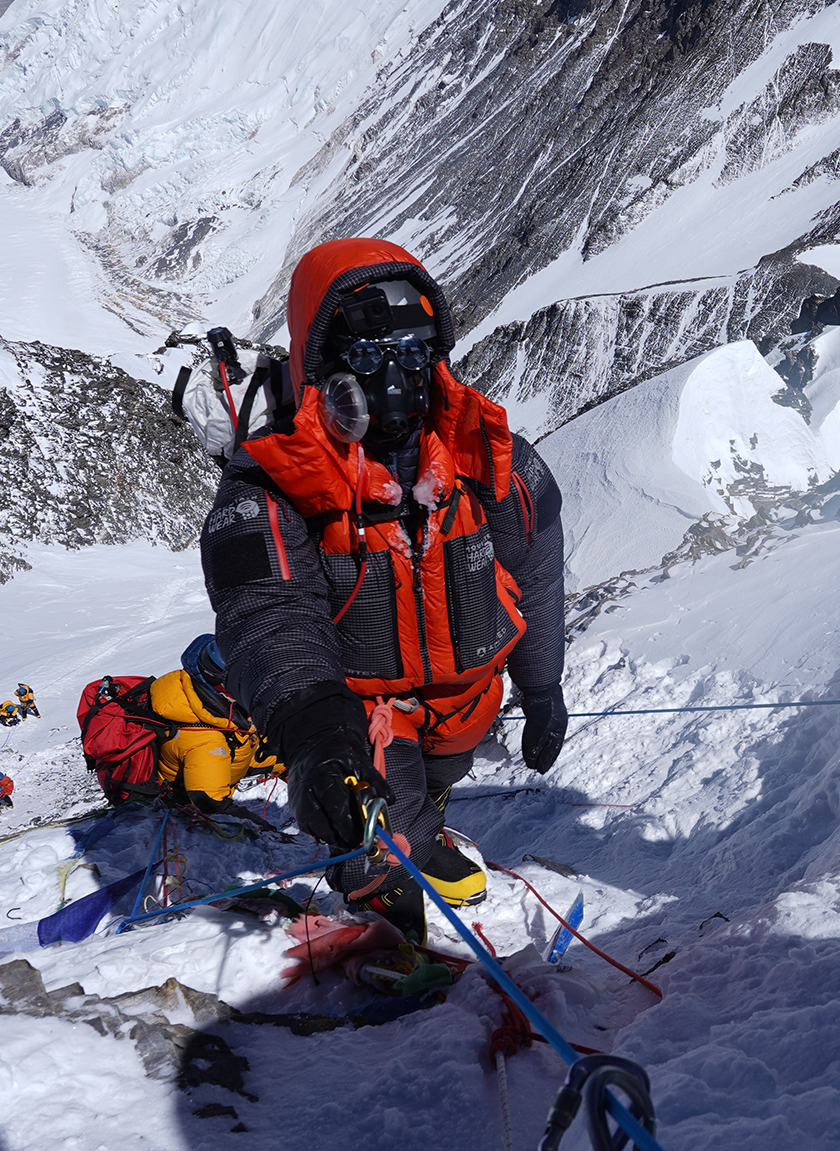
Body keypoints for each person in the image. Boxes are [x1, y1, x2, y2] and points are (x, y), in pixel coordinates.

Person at [199, 237, 567, 939]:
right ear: (322, 364)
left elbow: (537, 565)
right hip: (363, 715)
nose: (395, 377)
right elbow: (270, 613)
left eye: (413, 352)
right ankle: (389, 913)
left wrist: (541, 683)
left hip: (466, 697)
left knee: (435, 784)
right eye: (367, 357)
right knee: (376, 838)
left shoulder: (488, 458)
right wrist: (317, 734)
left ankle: (424, 826)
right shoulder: (275, 483)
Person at [150, 635, 279, 812]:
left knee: (292, 753)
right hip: (194, 793)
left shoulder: (190, 688)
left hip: (231, 758)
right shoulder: (207, 744)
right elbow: (213, 805)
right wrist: (264, 828)